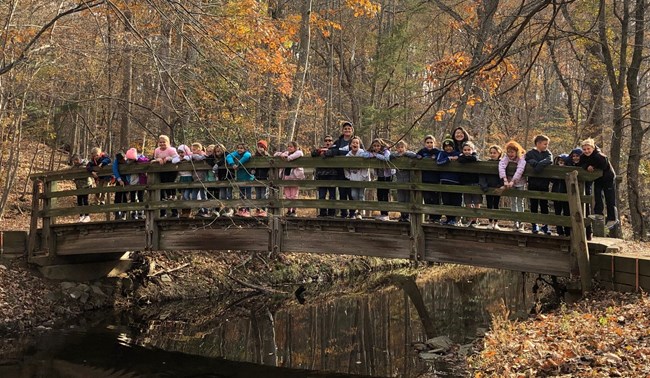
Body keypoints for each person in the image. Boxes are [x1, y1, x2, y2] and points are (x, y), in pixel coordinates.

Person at [579, 138, 618, 229]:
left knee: (609, 197)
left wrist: (593, 166)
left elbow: (604, 165)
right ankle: (598, 213)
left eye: (588, 149)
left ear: (593, 148)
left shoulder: (599, 156)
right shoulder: (583, 156)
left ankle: (612, 218)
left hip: (608, 177)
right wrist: (587, 166)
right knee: (597, 194)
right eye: (584, 149)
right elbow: (581, 164)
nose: (586, 151)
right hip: (598, 178)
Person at [325, 121, 356, 218]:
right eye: (345, 129)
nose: (347, 130)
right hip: (341, 171)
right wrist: (327, 153)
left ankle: (352, 213)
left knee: (352, 193)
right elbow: (333, 150)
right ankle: (343, 213)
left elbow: (361, 151)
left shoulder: (356, 140)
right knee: (342, 192)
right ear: (342, 130)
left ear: (352, 130)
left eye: (349, 129)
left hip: (353, 171)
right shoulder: (338, 141)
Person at [525, 135, 553, 235]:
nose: (546, 146)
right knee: (534, 204)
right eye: (545, 144)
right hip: (533, 182)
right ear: (538, 144)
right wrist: (535, 163)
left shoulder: (548, 153)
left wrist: (537, 166)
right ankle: (534, 224)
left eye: (547, 144)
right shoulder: (530, 153)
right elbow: (527, 160)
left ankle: (545, 226)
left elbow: (549, 160)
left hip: (544, 183)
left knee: (544, 205)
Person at [499, 140, 527, 231]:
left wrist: (513, 181)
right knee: (513, 202)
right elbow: (501, 165)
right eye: (508, 152)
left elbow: (520, 169)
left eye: (512, 152)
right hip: (509, 182)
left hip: (520, 182)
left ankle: (521, 221)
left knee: (520, 202)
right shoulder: (506, 157)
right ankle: (515, 222)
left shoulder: (521, 158)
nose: (510, 154)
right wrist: (505, 179)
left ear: (516, 151)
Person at [366, 138, 394, 221]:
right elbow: (364, 154)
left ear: (381, 146)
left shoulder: (386, 151)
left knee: (385, 194)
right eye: (374, 146)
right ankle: (382, 213)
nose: (376, 147)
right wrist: (373, 154)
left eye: (378, 146)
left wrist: (376, 155)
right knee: (379, 194)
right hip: (380, 176)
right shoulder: (373, 152)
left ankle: (386, 214)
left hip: (387, 175)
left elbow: (386, 158)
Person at [274, 141, 305, 217]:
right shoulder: (286, 153)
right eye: (288, 146)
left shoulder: (298, 153)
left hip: (295, 177)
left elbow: (292, 157)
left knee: (294, 195)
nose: (289, 148)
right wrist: (282, 154)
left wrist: (286, 157)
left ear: (295, 147)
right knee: (287, 195)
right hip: (286, 176)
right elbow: (275, 154)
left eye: (291, 146)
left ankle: (294, 211)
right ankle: (288, 210)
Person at [151, 135, 179, 218]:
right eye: (160, 142)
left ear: (168, 142)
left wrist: (168, 158)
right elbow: (154, 158)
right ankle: (163, 213)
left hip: (171, 172)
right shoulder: (157, 150)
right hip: (161, 173)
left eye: (164, 142)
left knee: (170, 192)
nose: (162, 143)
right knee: (162, 193)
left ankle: (175, 212)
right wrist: (157, 160)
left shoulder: (171, 149)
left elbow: (177, 158)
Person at [416, 135, 441, 223]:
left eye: (431, 142)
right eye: (427, 143)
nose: (429, 144)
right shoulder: (422, 151)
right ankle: (430, 216)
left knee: (435, 199)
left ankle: (437, 217)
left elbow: (441, 157)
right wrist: (419, 157)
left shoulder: (437, 151)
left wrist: (435, 158)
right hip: (425, 179)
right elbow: (417, 155)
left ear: (434, 143)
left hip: (435, 179)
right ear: (425, 143)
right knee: (427, 198)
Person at [437, 138, 461, 225]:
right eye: (446, 146)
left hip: (456, 181)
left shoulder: (457, 154)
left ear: (453, 147)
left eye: (450, 146)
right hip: (445, 181)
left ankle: (454, 219)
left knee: (456, 201)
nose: (448, 148)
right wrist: (449, 158)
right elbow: (439, 162)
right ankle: (448, 218)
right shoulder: (442, 154)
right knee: (446, 200)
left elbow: (463, 158)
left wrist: (457, 158)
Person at [391, 141, 417, 222]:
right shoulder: (396, 157)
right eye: (398, 148)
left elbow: (415, 155)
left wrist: (405, 153)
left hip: (408, 181)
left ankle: (407, 215)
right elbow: (390, 155)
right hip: (399, 181)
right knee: (401, 199)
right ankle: (402, 215)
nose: (400, 149)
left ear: (405, 148)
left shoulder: (408, 155)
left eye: (402, 147)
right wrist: (398, 154)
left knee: (407, 198)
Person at [344, 136, 370, 219]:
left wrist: (363, 176)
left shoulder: (363, 154)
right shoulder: (348, 156)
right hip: (353, 178)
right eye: (353, 143)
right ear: (350, 145)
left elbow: (367, 166)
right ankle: (356, 210)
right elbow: (345, 167)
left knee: (361, 196)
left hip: (362, 179)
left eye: (357, 143)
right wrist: (349, 176)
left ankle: (360, 212)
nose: (355, 144)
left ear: (359, 145)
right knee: (354, 195)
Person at [312, 135, 337, 217]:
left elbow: (332, 153)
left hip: (332, 175)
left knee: (332, 195)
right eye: (326, 141)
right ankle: (323, 213)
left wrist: (325, 152)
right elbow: (313, 153)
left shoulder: (334, 149)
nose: (328, 142)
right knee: (322, 195)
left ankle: (331, 213)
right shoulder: (320, 149)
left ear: (332, 142)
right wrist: (320, 151)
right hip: (321, 175)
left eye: (329, 141)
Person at [457, 141, 481, 227]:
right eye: (465, 150)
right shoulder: (461, 157)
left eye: (469, 150)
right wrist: (465, 158)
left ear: (473, 150)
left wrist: (466, 158)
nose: (467, 151)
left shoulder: (475, 156)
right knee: (467, 202)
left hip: (475, 183)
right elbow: (460, 160)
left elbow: (474, 159)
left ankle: (475, 220)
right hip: (465, 183)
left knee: (477, 202)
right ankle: (470, 219)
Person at [226, 142, 254, 217]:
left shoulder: (247, 153)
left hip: (248, 177)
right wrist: (232, 164)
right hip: (240, 177)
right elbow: (228, 156)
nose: (239, 149)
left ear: (245, 149)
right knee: (241, 194)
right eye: (238, 148)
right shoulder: (236, 153)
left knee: (248, 194)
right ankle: (241, 210)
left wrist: (238, 164)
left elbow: (247, 156)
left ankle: (247, 210)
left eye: (241, 148)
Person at [479, 145, 503, 230]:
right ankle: (490, 222)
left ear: (499, 153)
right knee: (489, 204)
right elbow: (482, 176)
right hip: (488, 188)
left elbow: (503, 175)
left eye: (494, 153)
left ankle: (496, 223)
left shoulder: (502, 163)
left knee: (496, 204)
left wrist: (500, 186)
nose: (492, 154)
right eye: (491, 153)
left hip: (497, 188)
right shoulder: (487, 163)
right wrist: (484, 186)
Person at [125, 147, 149, 220]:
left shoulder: (139, 160)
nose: (129, 161)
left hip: (140, 182)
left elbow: (146, 161)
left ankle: (140, 212)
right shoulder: (126, 164)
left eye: (131, 159)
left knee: (140, 197)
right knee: (132, 198)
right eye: (128, 159)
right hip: (132, 183)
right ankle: (133, 212)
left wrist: (138, 159)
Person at [212, 143, 234, 217]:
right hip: (221, 178)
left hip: (229, 176)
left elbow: (226, 158)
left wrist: (217, 164)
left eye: (219, 151)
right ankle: (224, 209)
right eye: (216, 152)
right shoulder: (216, 158)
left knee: (229, 194)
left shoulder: (227, 154)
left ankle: (230, 209)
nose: (218, 153)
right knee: (223, 194)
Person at [172, 144, 193, 218]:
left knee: (187, 195)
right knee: (183, 196)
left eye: (182, 152)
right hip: (182, 178)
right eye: (179, 153)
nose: (181, 154)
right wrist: (180, 159)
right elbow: (174, 160)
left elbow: (189, 157)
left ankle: (188, 212)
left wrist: (184, 158)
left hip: (188, 177)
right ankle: (183, 212)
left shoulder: (189, 156)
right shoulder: (178, 158)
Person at [551, 154, 570, 236]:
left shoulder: (568, 171)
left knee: (567, 213)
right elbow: (552, 180)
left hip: (566, 195)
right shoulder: (555, 170)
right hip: (556, 193)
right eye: (560, 161)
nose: (561, 163)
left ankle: (567, 231)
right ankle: (559, 230)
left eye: (563, 161)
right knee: (557, 212)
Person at [70, 154, 92, 222]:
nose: (76, 162)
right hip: (79, 186)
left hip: (86, 185)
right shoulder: (74, 167)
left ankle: (87, 216)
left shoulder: (85, 164)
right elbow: (70, 172)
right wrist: (73, 178)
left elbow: (90, 170)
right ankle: (81, 216)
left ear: (80, 159)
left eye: (77, 160)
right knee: (79, 201)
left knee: (85, 200)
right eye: (74, 160)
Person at [190, 143, 209, 217]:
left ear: (199, 149)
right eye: (192, 150)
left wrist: (203, 155)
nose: (192, 151)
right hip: (195, 178)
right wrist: (203, 155)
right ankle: (199, 209)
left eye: (194, 150)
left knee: (203, 195)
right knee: (194, 195)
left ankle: (206, 210)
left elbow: (205, 157)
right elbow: (198, 158)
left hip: (203, 178)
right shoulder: (194, 155)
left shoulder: (203, 154)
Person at [253, 140, 271, 217]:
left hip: (264, 177)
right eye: (259, 147)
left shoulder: (267, 156)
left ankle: (263, 210)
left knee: (263, 194)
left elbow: (269, 166)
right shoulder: (254, 156)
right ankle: (257, 210)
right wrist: (252, 169)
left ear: (264, 148)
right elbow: (253, 165)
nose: (260, 148)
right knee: (257, 195)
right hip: (256, 177)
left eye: (261, 147)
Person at [111, 151, 129, 220]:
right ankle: (117, 212)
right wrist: (119, 179)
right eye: (121, 160)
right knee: (118, 195)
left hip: (127, 179)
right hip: (120, 179)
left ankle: (124, 213)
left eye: (123, 159)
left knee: (125, 196)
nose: (123, 161)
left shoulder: (128, 159)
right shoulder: (116, 161)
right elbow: (114, 169)